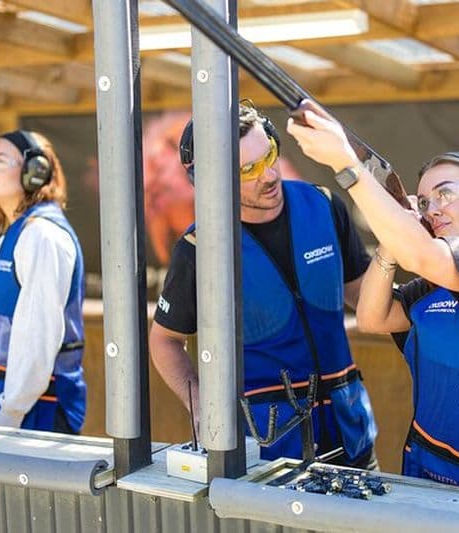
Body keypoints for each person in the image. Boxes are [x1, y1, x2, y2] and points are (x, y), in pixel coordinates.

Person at [288, 110, 459, 492]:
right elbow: (373, 317)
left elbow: (423, 257)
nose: (433, 209)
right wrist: (391, 246)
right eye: (424, 202)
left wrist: (349, 166)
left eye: (445, 193)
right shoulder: (437, 277)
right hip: (423, 462)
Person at [150, 102, 378, 468]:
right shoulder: (198, 249)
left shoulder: (324, 205)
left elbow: (366, 298)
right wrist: (200, 405)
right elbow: (164, 340)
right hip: (266, 457)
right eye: (248, 170)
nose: (269, 175)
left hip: (351, 437)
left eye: (269, 155)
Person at [0, 129, 86, 433]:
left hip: (37, 413)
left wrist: (8, 417)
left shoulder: (41, 236)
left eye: (0, 160)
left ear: (35, 172)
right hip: (20, 408)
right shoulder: (20, 232)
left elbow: (38, 337)